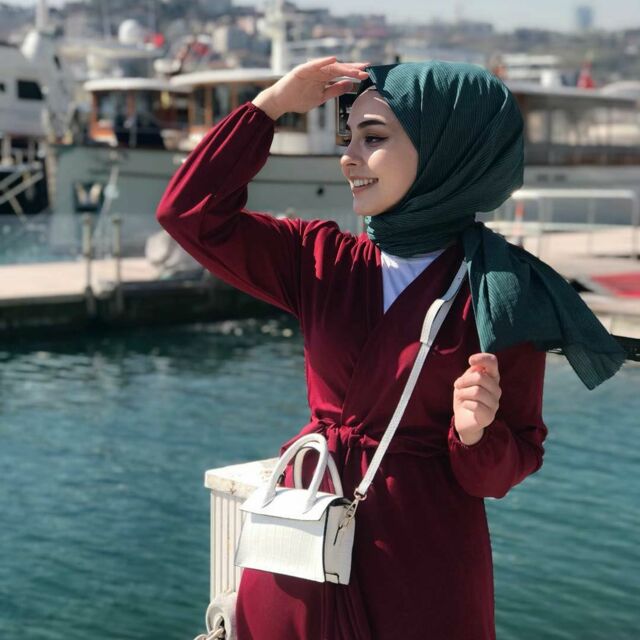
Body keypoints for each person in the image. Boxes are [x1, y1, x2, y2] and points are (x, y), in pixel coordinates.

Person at [156, 56, 627, 640]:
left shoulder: (500, 290)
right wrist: (270, 106)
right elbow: (188, 214)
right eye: (349, 137)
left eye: (373, 138)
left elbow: (505, 467)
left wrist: (474, 434)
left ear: (445, 149)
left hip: (418, 575)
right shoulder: (321, 261)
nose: (349, 158)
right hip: (297, 556)